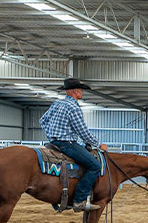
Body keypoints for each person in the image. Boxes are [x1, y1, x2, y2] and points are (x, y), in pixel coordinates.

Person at [39, 76, 107, 211]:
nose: (82, 92)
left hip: (53, 143)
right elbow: (82, 131)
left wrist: (52, 135)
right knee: (94, 166)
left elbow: (42, 121)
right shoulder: (73, 108)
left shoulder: (57, 104)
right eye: (80, 90)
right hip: (67, 144)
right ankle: (79, 200)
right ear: (75, 91)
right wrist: (98, 144)